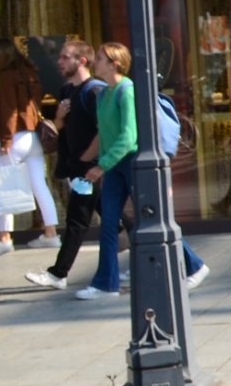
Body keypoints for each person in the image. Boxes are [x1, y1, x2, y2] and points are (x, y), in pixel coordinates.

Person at [78, 42, 206, 302]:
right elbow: (106, 133)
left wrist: (101, 165)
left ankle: (195, 265)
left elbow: (128, 136)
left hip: (134, 162)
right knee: (109, 224)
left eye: (100, 58)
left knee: (155, 220)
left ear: (114, 63)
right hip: (115, 166)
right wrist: (92, 161)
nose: (95, 62)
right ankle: (106, 283)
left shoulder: (127, 91)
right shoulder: (104, 94)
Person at [25, 40, 103, 290]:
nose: (59, 62)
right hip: (78, 166)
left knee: (77, 220)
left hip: (91, 168)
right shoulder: (67, 91)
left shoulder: (94, 91)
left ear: (82, 61)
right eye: (60, 57)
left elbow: (104, 131)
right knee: (116, 217)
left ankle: (58, 274)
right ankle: (188, 262)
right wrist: (58, 118)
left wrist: (90, 162)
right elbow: (61, 129)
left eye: (65, 57)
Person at [0, 40, 59, 256]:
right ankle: (51, 234)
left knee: (3, 186)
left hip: (16, 137)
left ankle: (4, 238)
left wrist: (5, 140)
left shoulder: (6, 76)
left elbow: (9, 110)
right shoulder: (29, 71)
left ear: (2, 56)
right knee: (40, 186)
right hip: (34, 136)